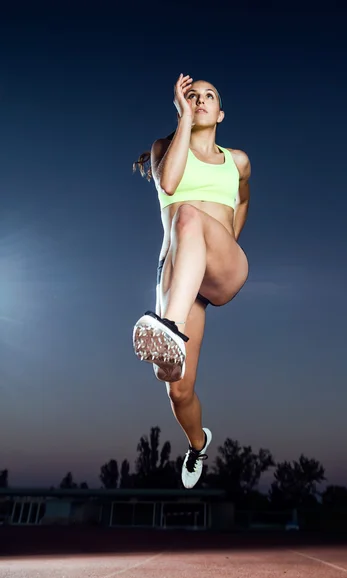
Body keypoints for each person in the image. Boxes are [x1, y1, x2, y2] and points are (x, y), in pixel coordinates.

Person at [132, 74, 251, 489]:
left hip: (224, 267)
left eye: (208, 96)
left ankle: (170, 328)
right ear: (182, 104)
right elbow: (168, 182)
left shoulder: (237, 161)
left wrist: (227, 239)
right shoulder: (165, 148)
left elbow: (245, 196)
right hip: (181, 270)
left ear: (220, 112)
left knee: (188, 215)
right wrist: (184, 119)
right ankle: (198, 444)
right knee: (177, 391)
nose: (200, 100)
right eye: (192, 95)